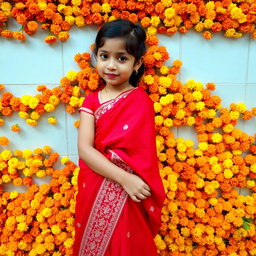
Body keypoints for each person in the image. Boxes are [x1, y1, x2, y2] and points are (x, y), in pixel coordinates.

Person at [73, 19, 166, 256]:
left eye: (121, 58)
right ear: (96, 57)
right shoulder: (91, 101)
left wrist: (129, 182)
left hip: (129, 193)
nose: (111, 65)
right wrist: (124, 178)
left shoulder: (141, 102)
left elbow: (142, 155)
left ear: (137, 64)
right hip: (97, 184)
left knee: (127, 245)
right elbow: (85, 149)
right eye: (104, 56)